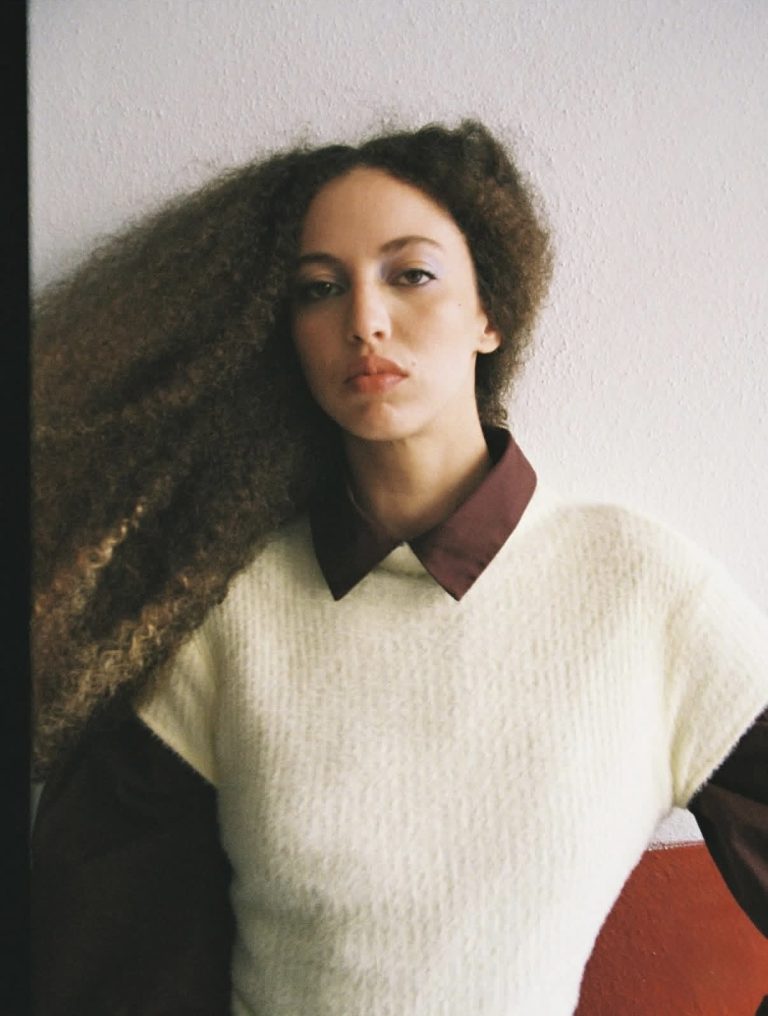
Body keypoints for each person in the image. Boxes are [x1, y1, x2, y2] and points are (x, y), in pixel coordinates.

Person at [31, 121, 768, 1015]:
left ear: (490, 312)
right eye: (318, 289)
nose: (364, 322)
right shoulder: (225, 605)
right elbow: (94, 962)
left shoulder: (644, 591)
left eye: (410, 274)